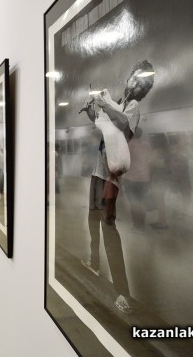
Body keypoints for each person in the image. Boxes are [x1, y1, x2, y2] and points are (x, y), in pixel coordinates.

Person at [79, 60, 155, 314]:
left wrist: (106, 106)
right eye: (134, 78)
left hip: (111, 178)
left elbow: (123, 125)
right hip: (97, 172)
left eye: (140, 81)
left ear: (143, 88)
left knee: (108, 228)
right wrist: (93, 111)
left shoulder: (132, 107)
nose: (134, 83)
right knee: (92, 219)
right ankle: (94, 262)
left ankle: (122, 292)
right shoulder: (120, 102)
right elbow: (104, 127)